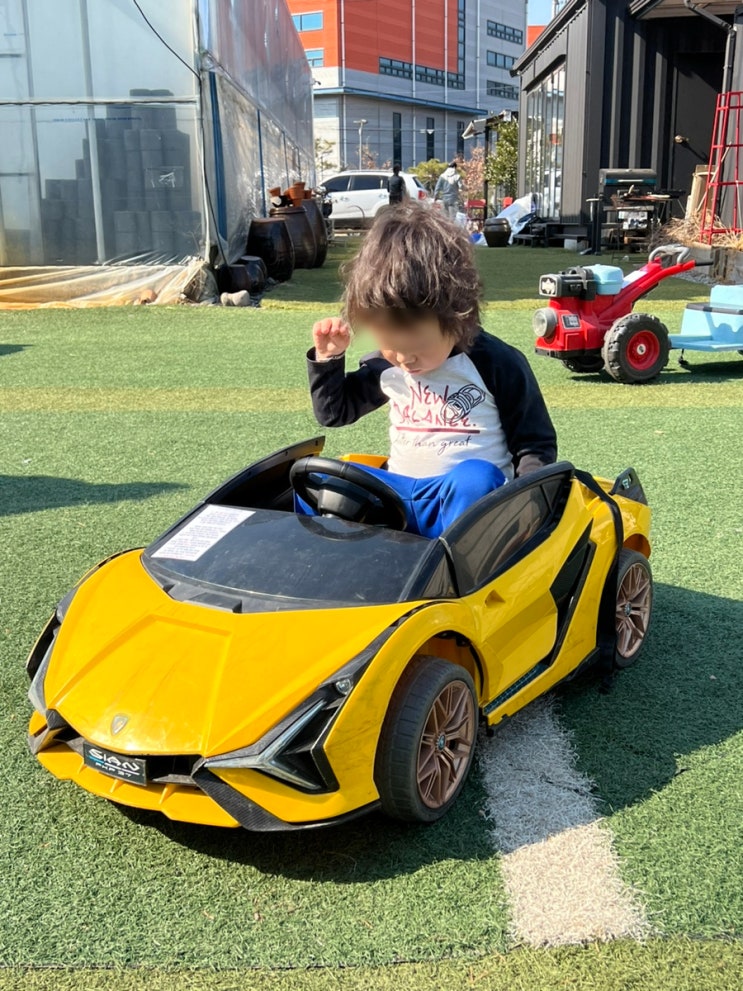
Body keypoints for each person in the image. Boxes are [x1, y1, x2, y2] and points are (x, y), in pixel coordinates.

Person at [304, 203, 557, 539]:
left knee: (475, 478)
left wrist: (525, 508)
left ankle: (452, 559)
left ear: (458, 317)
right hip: (399, 499)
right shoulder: (387, 365)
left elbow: (534, 444)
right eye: (390, 346)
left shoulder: (496, 363)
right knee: (318, 479)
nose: (404, 360)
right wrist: (328, 359)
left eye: (417, 348)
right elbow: (334, 413)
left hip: (465, 507)